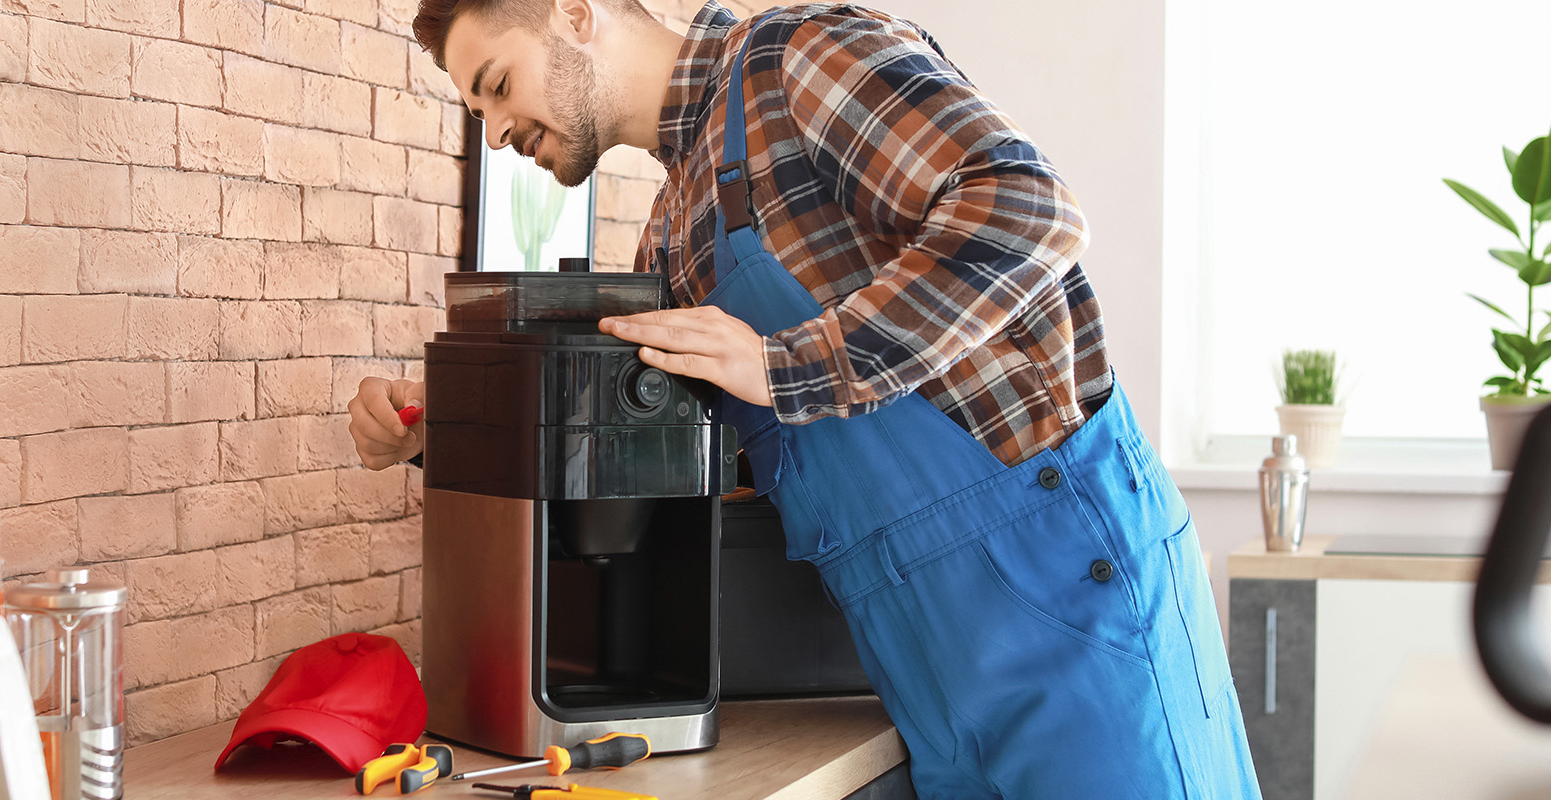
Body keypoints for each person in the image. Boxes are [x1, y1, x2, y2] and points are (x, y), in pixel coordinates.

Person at [346, 0, 1262, 796]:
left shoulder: (796, 60)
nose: (498, 129)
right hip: (919, 659)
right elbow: (690, 455)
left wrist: (785, 367)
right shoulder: (670, 234)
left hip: (1065, 596)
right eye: (480, 108)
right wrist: (437, 437)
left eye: (498, 84)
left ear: (575, 16)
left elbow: (1027, 208)